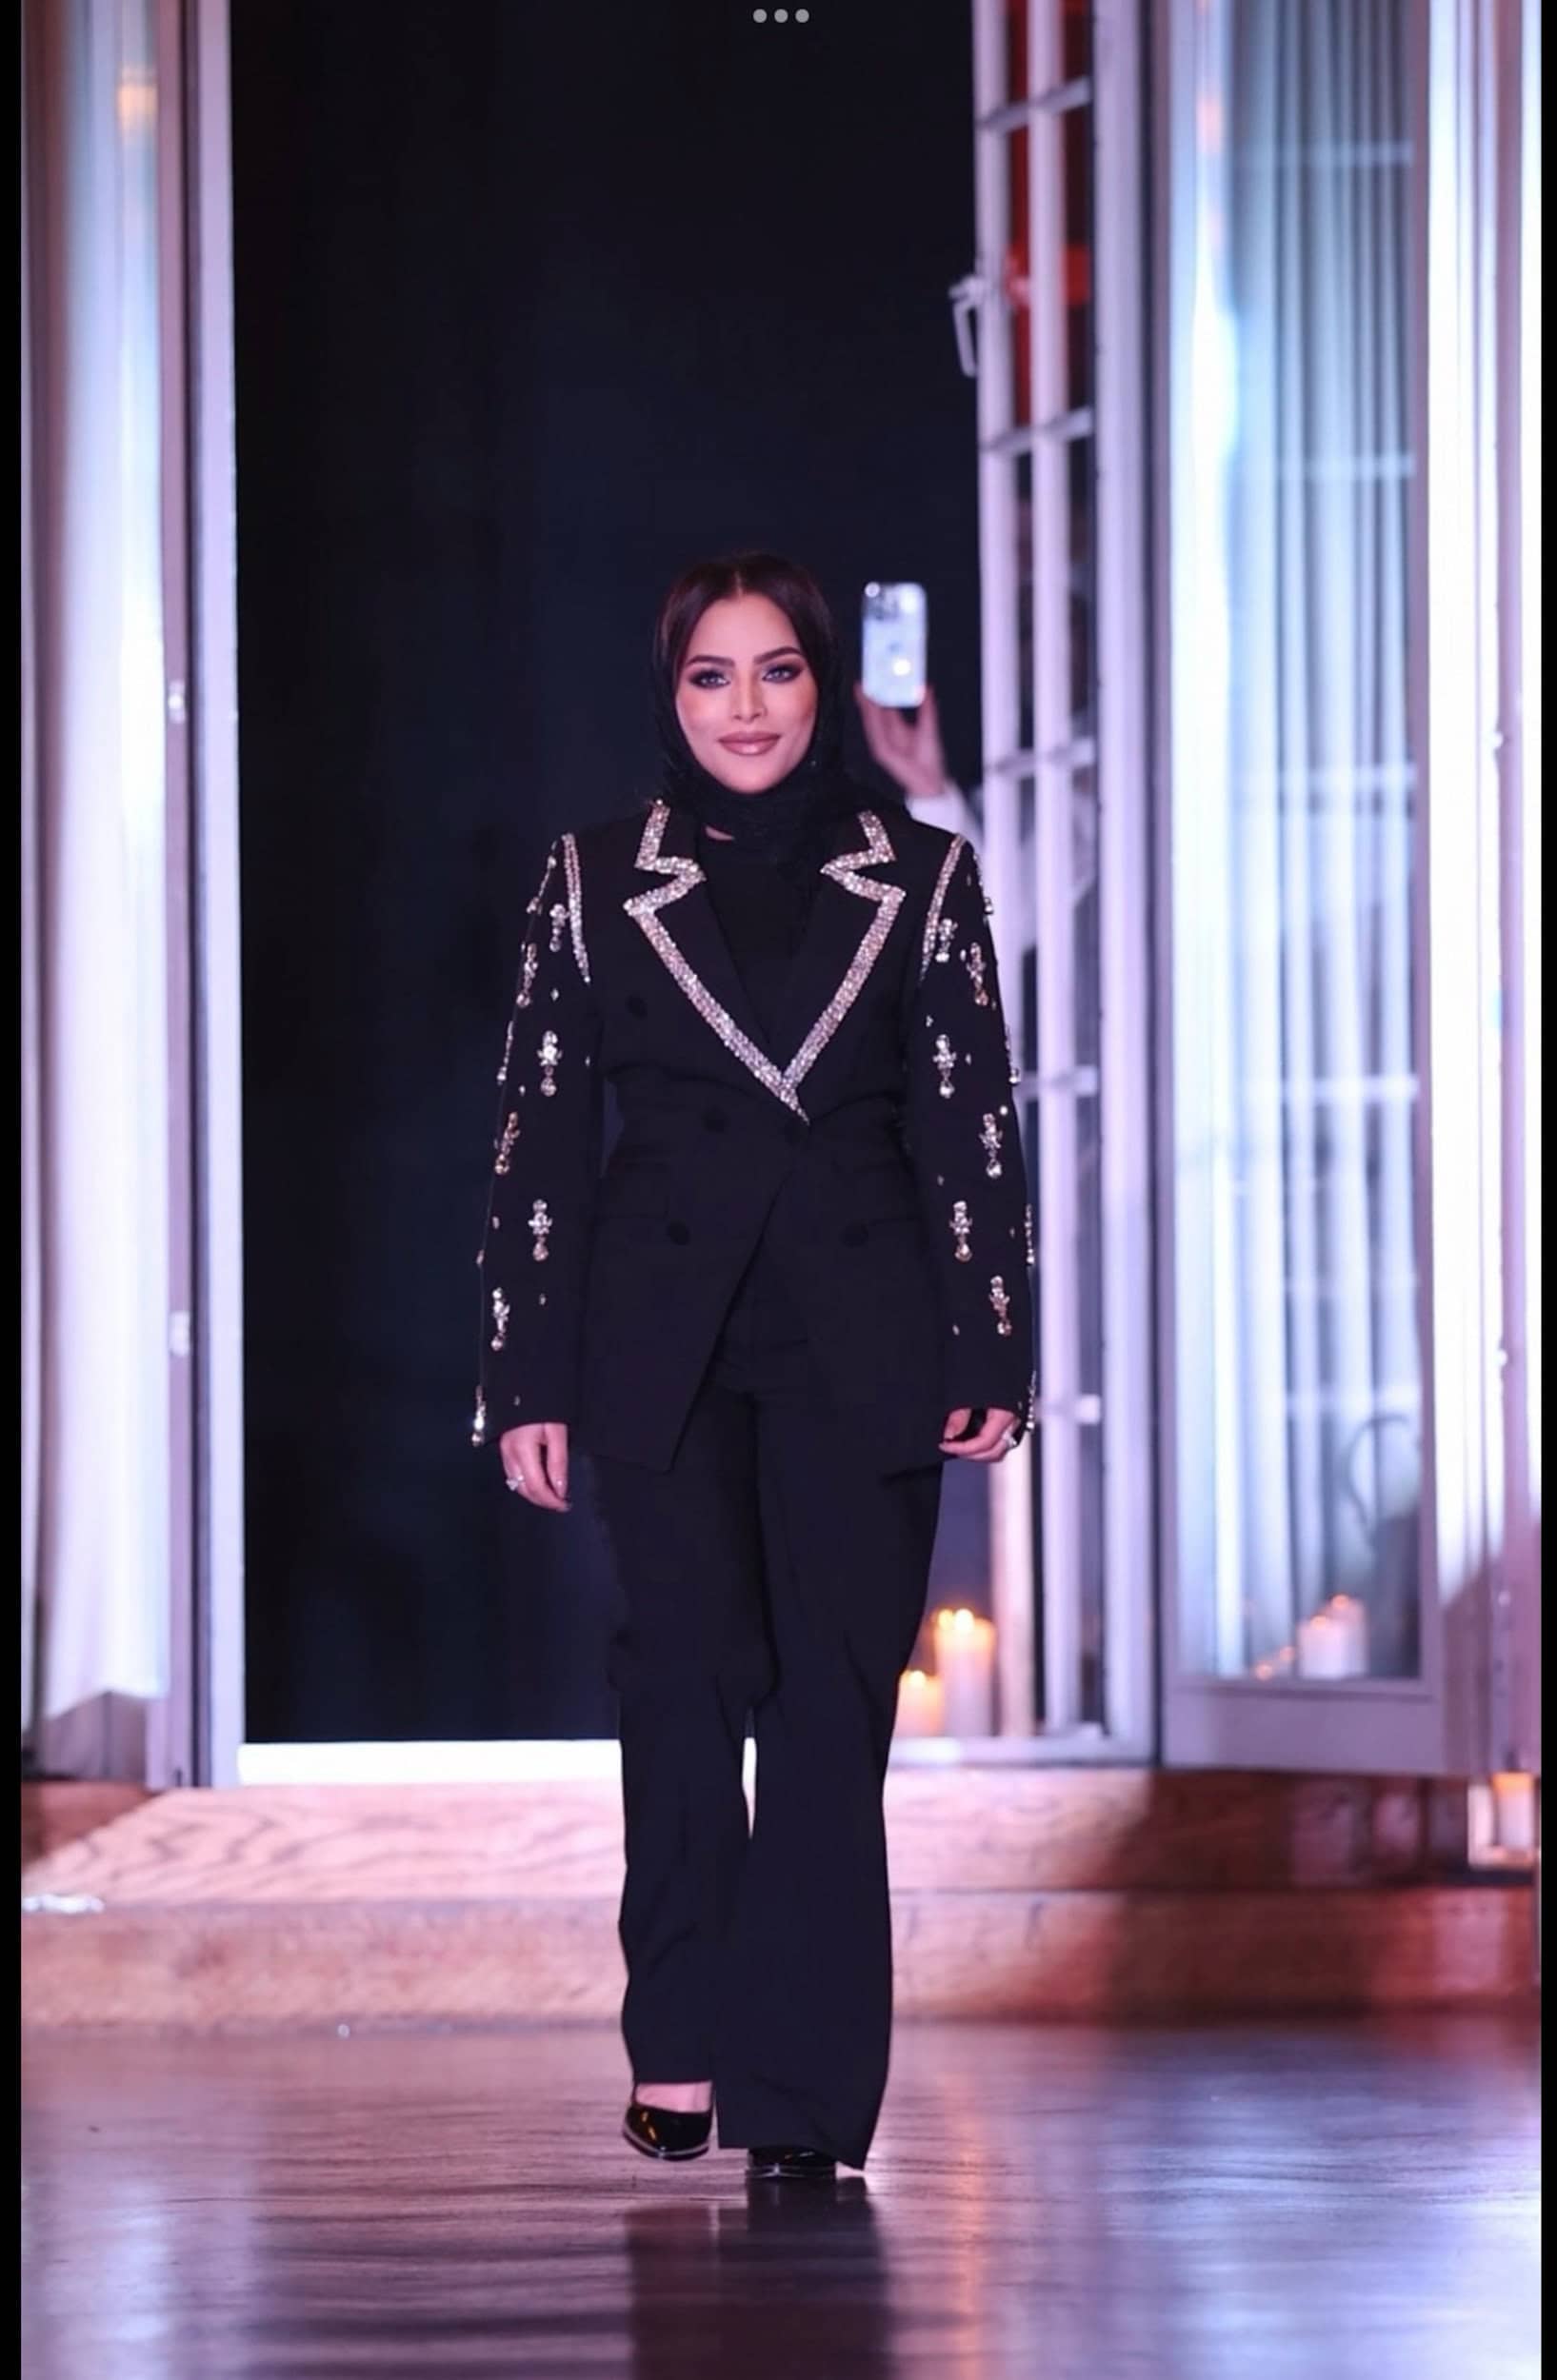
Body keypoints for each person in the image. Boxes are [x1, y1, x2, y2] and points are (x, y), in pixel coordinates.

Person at [472, 551, 1035, 2182]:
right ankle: (682, 2035)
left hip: (866, 1337)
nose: (746, 707)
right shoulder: (595, 878)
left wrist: (992, 1338)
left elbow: (972, 1123)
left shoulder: (919, 874)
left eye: (777, 671)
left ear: (820, 687)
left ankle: (803, 2102)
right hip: (665, 1347)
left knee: (830, 1714)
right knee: (682, 1679)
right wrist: (526, 1375)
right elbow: (537, 1136)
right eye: (711, 675)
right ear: (671, 695)